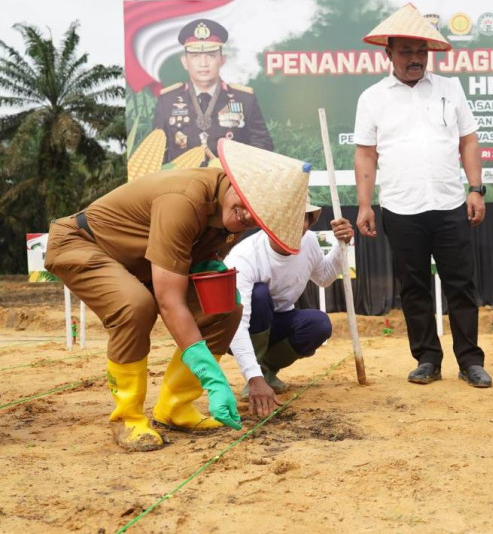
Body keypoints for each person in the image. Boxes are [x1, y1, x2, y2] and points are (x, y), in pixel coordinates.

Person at [44, 140, 313, 452]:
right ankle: (128, 417)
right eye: (247, 205)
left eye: (259, 216)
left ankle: (175, 407)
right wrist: (212, 376)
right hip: (85, 244)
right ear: (238, 180)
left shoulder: (235, 214)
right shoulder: (183, 201)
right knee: (135, 306)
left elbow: (197, 257)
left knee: (224, 307)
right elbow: (168, 302)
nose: (247, 218)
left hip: (143, 261)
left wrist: (209, 262)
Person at [353, 3, 491, 388]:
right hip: (400, 206)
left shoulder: (450, 88)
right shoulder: (372, 98)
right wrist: (364, 204)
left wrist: (475, 189)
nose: (415, 59)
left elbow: (468, 140)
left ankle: (470, 361)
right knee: (413, 287)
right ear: (389, 54)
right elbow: (365, 152)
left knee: (460, 284)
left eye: (421, 52)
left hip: (449, 203)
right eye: (406, 52)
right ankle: (427, 359)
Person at [225, 202, 354, 417]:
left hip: (279, 323)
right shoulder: (245, 256)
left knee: (318, 324)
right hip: (240, 328)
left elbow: (324, 277)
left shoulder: (310, 241)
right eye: (288, 218)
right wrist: (252, 377)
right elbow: (238, 323)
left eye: (303, 218)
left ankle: (266, 371)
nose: (297, 226)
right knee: (259, 295)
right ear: (268, 223)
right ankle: (256, 375)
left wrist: (343, 244)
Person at [151, 18, 273, 167]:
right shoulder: (167, 101)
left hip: (228, 185)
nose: (203, 63)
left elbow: (263, 147)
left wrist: (238, 170)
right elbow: (157, 154)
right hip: (183, 186)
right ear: (185, 62)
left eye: (211, 55)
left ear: (222, 60)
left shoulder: (244, 99)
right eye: (195, 56)